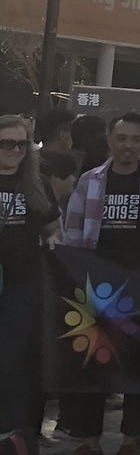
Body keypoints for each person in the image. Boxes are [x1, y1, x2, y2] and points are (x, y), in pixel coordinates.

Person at [56, 112, 140, 455]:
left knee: (137, 365)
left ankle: (131, 441)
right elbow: (73, 232)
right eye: (121, 138)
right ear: (110, 141)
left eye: (135, 139)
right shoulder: (90, 181)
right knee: (92, 364)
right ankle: (89, 443)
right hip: (96, 292)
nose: (128, 145)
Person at [0, 113, 58, 438]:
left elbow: (52, 227)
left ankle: (20, 433)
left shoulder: (37, 183)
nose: (15, 150)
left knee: (18, 357)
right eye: (7, 143)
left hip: (24, 283)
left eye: (21, 144)